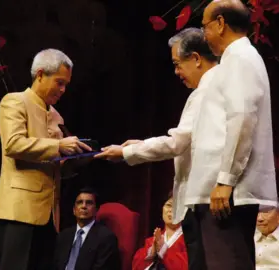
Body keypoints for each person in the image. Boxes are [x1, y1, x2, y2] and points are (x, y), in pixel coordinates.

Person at [94, 27, 218, 269]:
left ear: (195, 58)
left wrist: (127, 153)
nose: (176, 72)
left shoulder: (206, 92)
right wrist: (140, 145)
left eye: (177, 63)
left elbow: (177, 143)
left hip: (204, 200)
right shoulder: (214, 88)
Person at [170, 0, 276, 269]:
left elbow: (242, 118)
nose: (204, 34)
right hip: (217, 190)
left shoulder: (240, 58)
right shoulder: (233, 60)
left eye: (205, 26)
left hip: (226, 192)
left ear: (220, 23)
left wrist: (226, 180)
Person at [0, 48, 92, 270]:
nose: (63, 90)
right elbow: (13, 144)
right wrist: (58, 145)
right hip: (18, 211)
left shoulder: (56, 116)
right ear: (40, 74)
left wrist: (76, 160)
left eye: (66, 84)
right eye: (59, 82)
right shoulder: (14, 102)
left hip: (49, 215)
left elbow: (52, 163)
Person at [54, 187, 120, 270]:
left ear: (96, 210)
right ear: (74, 210)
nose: (84, 206)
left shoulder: (106, 238)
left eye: (89, 203)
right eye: (79, 202)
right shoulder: (63, 236)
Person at [132, 192, 187, 270]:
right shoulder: (151, 241)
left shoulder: (188, 240)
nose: (171, 210)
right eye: (169, 205)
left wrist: (163, 249)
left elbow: (188, 265)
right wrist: (152, 252)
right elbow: (135, 266)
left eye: (177, 207)